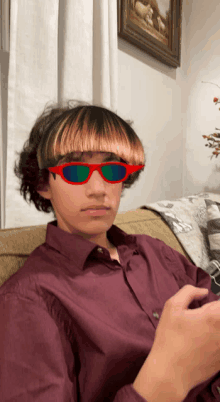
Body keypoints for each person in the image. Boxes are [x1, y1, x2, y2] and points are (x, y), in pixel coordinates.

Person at [0, 100, 220, 401]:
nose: (98, 188)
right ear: (43, 183)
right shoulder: (29, 299)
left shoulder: (154, 251)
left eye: (112, 170)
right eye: (75, 171)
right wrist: (169, 378)